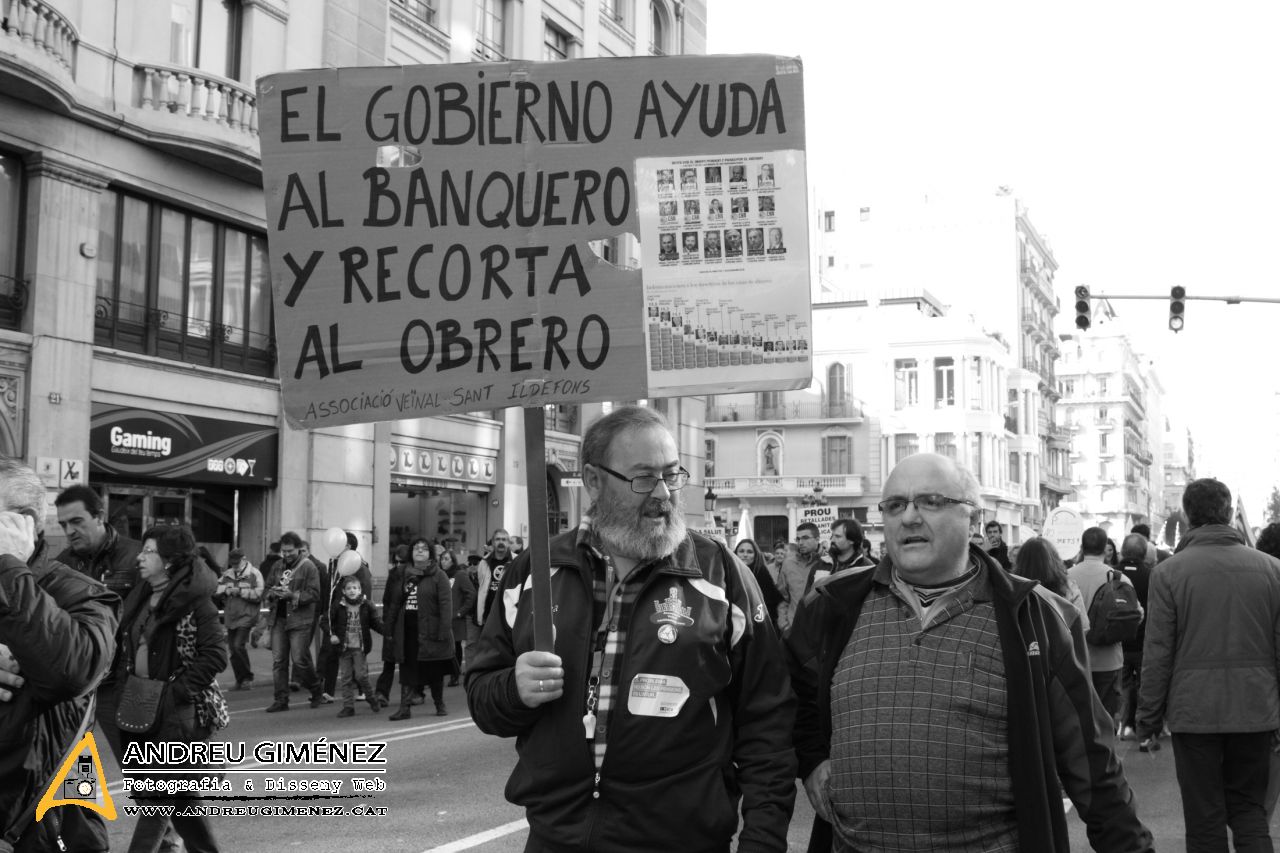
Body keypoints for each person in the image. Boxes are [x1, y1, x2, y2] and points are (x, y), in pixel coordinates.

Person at [467, 405, 796, 851]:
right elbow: (483, 696)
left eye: (672, 475)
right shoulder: (535, 573)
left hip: (683, 841)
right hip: (558, 838)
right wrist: (514, 689)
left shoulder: (721, 576)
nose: (663, 493)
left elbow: (768, 720)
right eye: (643, 478)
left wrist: (763, 840)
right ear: (594, 481)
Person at [787, 453, 1154, 853]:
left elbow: (1091, 761)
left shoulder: (1035, 616)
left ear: (973, 518)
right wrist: (811, 759)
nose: (909, 517)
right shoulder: (832, 605)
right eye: (895, 505)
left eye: (930, 501)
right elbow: (794, 698)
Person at [1138, 477, 1280, 852]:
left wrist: (1148, 720)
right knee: (1250, 811)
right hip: (1255, 708)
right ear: (1230, 513)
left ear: (1186, 516)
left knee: (1204, 819)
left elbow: (1158, 652)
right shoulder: (1271, 571)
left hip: (1194, 712)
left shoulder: (1168, 573)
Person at [0, 460, 117, 852]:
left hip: (52, 821)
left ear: (25, 522)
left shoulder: (82, 593)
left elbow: (71, 670)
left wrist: (10, 567)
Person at [116, 524, 228, 853]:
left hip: (178, 714)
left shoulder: (197, 603)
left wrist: (175, 692)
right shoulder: (141, 596)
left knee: (158, 798)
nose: (140, 557)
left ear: (168, 560)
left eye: (149, 551)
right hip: (142, 704)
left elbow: (215, 656)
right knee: (180, 802)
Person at [1068, 526, 1141, 723]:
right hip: (1109, 660)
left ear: (1082, 547)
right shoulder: (1119, 579)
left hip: (1075, 660)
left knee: (1079, 721)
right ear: (1105, 548)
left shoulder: (1065, 576)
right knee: (1106, 721)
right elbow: (1137, 615)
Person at [385, 538, 453, 719]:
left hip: (431, 629)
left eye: (424, 548)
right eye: (416, 548)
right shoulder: (403, 574)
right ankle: (404, 708)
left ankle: (439, 703)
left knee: (433, 669)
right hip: (407, 630)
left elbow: (446, 605)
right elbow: (395, 603)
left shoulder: (439, 575)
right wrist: (389, 629)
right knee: (407, 668)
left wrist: (444, 631)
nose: (420, 551)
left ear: (430, 553)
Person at [262, 531, 324, 712]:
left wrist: (292, 596)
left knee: (299, 660)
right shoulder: (277, 566)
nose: (287, 554)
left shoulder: (309, 567)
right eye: (284, 551)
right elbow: (266, 589)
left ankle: (316, 688)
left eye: (290, 551)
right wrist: (271, 593)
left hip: (300, 620)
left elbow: (314, 594)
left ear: (298, 549)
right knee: (279, 661)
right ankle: (281, 700)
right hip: (278, 619)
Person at [54, 484, 141, 602]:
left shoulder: (137, 556)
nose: (69, 531)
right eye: (63, 525)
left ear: (100, 517)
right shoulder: (62, 563)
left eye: (76, 521)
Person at [1115, 533, 1153, 745]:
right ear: (1144, 552)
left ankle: (1124, 724)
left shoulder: (1112, 573)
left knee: (1122, 685)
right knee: (1143, 685)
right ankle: (1141, 726)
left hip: (1117, 642)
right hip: (1143, 642)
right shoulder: (1151, 575)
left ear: (1122, 550)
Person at [328, 575, 384, 717]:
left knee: (361, 676)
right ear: (344, 591)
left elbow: (376, 623)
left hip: (360, 647)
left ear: (360, 590)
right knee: (346, 678)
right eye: (349, 588)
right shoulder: (338, 605)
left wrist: (388, 633)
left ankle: (371, 698)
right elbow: (326, 622)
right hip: (344, 647)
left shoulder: (367, 605)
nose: (352, 590)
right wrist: (332, 634)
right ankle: (348, 707)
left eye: (355, 588)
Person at [1013, 536, 1090, 629]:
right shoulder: (1069, 588)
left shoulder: (1013, 588)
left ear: (1020, 562)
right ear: (1055, 560)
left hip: (1025, 642)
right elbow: (1083, 626)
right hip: (1062, 642)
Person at [214, 548, 263, 690]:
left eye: (237, 562)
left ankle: (247, 677)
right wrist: (225, 590)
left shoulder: (254, 573)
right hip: (231, 616)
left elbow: (259, 594)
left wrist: (240, 592)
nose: (235, 565)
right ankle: (240, 679)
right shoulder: (227, 574)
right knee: (233, 649)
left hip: (247, 616)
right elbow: (215, 589)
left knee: (237, 646)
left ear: (244, 559)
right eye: (232, 563)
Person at [774, 522, 831, 635]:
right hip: (793, 629)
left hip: (822, 632)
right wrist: (784, 626)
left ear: (817, 539)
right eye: (798, 539)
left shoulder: (829, 563)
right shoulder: (788, 564)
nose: (800, 542)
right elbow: (782, 598)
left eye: (805, 538)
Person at [374, 544, 411, 708]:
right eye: (396, 562)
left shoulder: (414, 576)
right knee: (389, 662)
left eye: (401, 562)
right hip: (393, 623)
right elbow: (387, 600)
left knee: (409, 662)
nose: (398, 566)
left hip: (409, 623)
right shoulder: (393, 576)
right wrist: (387, 623)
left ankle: (414, 692)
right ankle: (382, 693)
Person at [442, 550, 475, 687]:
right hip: (443, 618)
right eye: (442, 558)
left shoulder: (460, 575)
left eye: (446, 558)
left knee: (455, 647)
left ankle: (454, 675)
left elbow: (471, 594)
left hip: (456, 618)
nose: (443, 561)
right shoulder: (440, 575)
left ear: (453, 561)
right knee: (443, 648)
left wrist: (461, 612)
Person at [735, 537, 784, 625]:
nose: (745, 555)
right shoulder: (728, 572)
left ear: (756, 555)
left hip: (759, 624)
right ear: (736, 553)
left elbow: (772, 603)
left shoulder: (762, 573)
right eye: (741, 551)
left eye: (749, 552)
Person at [476, 528, 515, 629]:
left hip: (510, 615)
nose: (501, 542)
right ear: (493, 542)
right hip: (489, 614)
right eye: (498, 539)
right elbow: (482, 587)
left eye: (504, 539)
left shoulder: (517, 561)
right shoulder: (484, 562)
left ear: (508, 543)